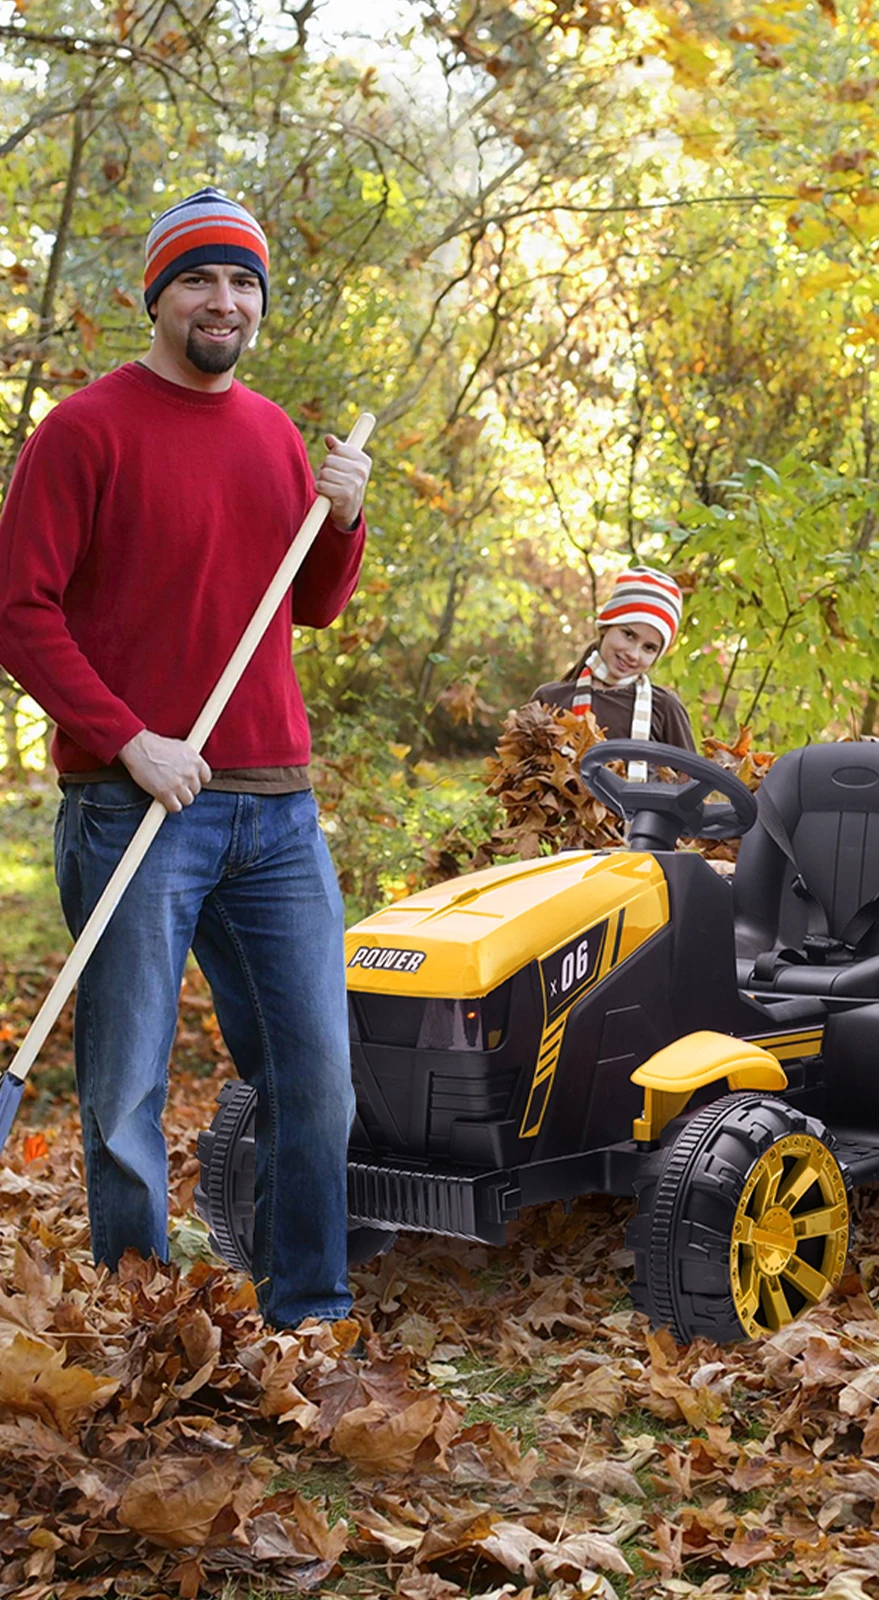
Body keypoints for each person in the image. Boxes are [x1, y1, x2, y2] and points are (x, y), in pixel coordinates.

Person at [0, 187, 373, 1329]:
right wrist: (127, 739)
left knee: (317, 1079)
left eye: (244, 282)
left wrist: (346, 520)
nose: (225, 300)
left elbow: (307, 606)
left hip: (277, 809)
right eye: (201, 280)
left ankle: (309, 1308)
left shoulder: (270, 433)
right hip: (133, 807)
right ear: (156, 296)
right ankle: (141, 1320)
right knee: (124, 1096)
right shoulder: (85, 429)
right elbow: (19, 608)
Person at [532, 567, 696, 751]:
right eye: (628, 635)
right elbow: (518, 773)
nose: (633, 654)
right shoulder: (550, 699)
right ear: (605, 627)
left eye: (649, 648)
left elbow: (692, 778)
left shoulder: (664, 708)